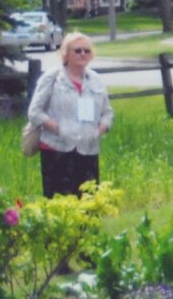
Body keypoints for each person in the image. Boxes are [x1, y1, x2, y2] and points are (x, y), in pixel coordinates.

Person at [27, 32, 113, 198]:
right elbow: (35, 112)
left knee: (89, 201)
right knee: (60, 202)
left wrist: (100, 129)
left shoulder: (96, 80)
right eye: (78, 50)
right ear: (66, 53)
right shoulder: (52, 78)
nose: (83, 54)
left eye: (87, 51)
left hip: (88, 149)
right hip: (57, 150)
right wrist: (57, 128)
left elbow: (107, 113)